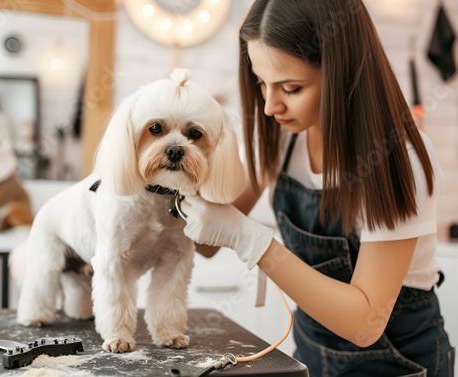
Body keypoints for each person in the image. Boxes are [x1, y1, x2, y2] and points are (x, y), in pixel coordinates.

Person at [181, 0, 455, 376]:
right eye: (261, 83)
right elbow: (207, 242)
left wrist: (252, 242)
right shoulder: (280, 138)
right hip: (311, 360)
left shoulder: (397, 158)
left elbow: (364, 323)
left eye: (291, 87)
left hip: (398, 366)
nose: (269, 106)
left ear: (342, 71)